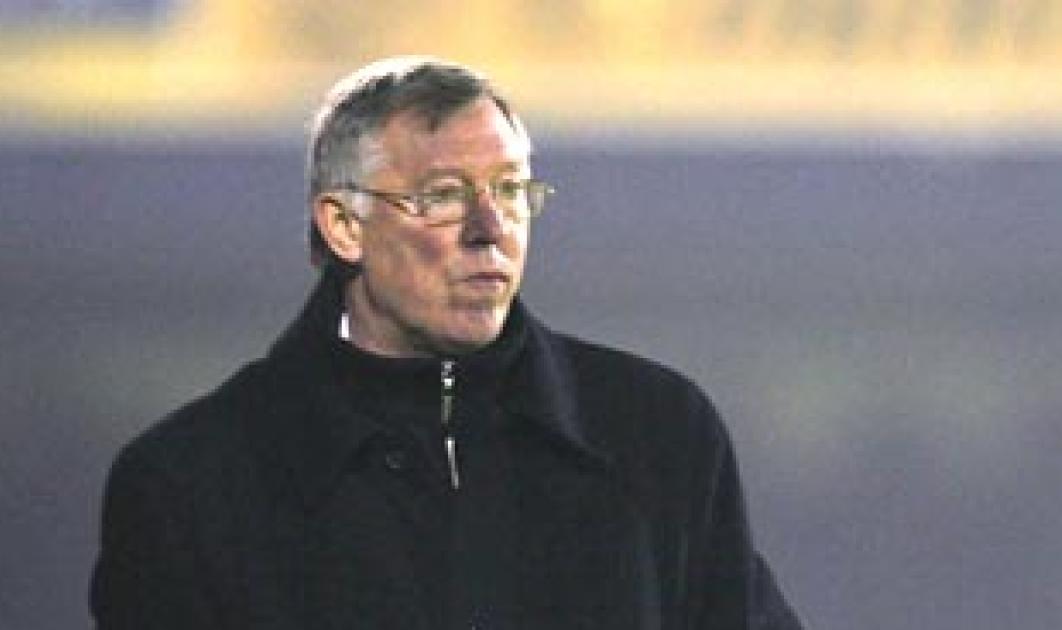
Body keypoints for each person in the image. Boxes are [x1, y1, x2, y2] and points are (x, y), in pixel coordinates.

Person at [89, 56, 803, 630]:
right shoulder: (190, 485)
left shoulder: (658, 434)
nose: (490, 230)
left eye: (511, 191)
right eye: (442, 197)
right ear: (344, 227)